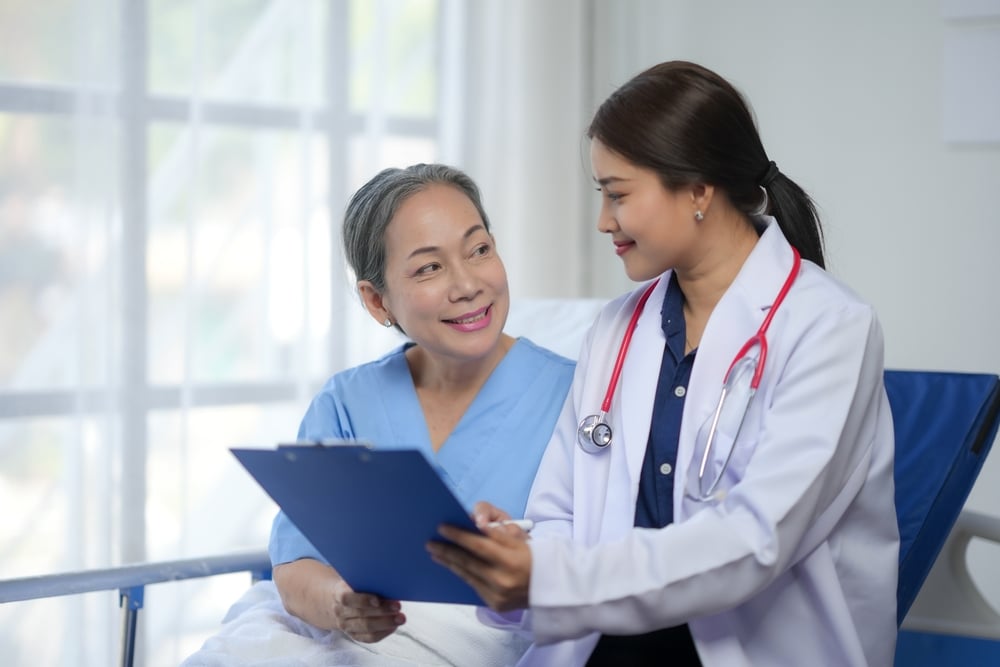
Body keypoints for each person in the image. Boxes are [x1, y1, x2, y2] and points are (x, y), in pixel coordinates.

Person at [428, 60, 899, 666]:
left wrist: (549, 579)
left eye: (617, 194)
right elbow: (562, 515)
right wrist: (513, 553)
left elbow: (754, 542)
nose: (604, 221)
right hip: (606, 645)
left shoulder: (830, 328)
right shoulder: (616, 330)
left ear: (699, 189)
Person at [185, 164, 575, 667]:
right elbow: (296, 563)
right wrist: (343, 606)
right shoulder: (347, 402)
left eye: (479, 250)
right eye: (429, 268)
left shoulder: (579, 396)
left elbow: (597, 562)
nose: (467, 285)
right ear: (376, 301)